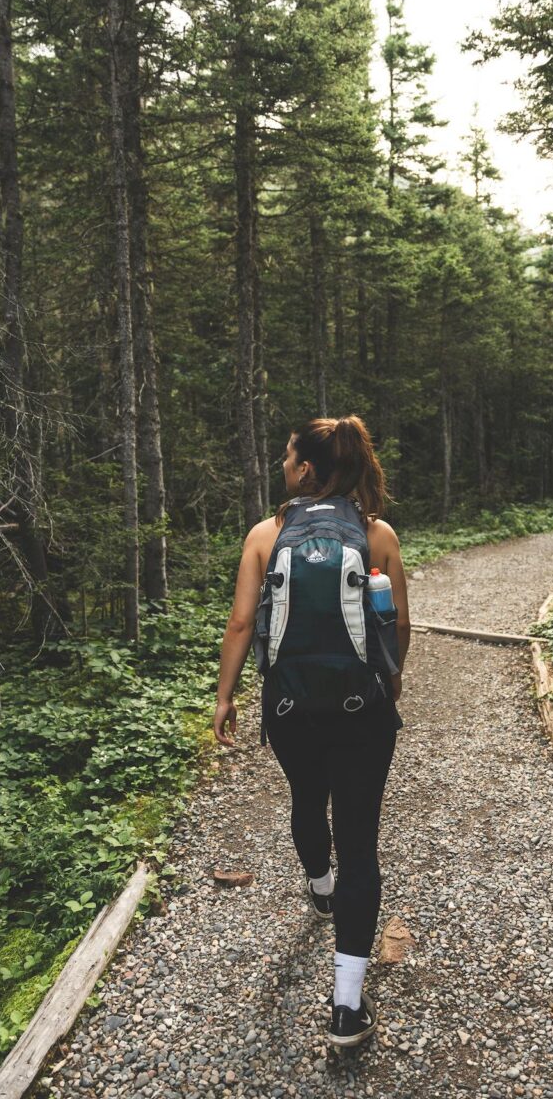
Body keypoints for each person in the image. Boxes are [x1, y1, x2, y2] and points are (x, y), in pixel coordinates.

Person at [213, 416, 411, 1048]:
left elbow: (243, 625)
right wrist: (392, 680)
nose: (281, 462)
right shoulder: (376, 534)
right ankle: (347, 1009)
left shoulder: (266, 535)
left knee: (306, 798)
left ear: (304, 470)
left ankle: (319, 887)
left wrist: (224, 697)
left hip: (290, 708)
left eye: (285, 455)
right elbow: (399, 623)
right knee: (361, 842)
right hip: (362, 709)